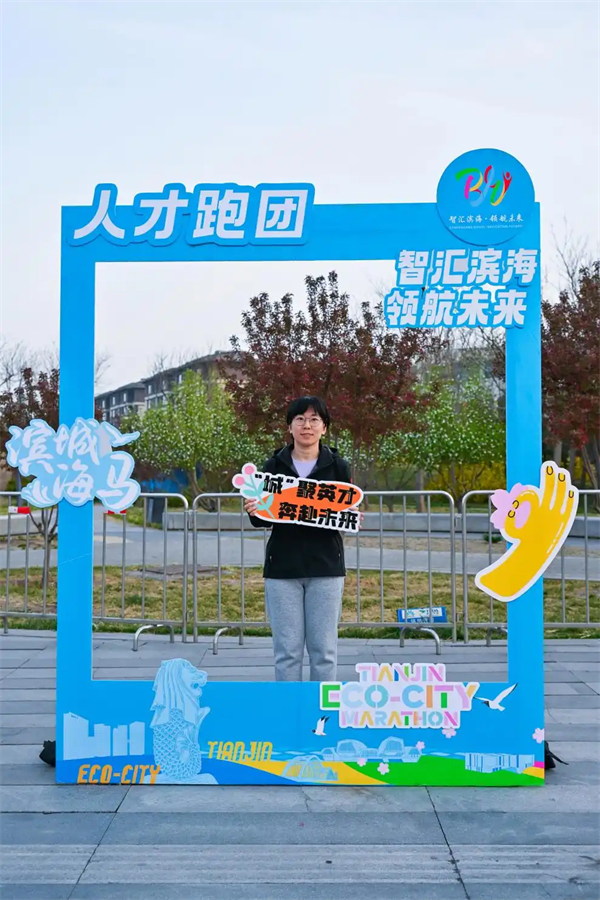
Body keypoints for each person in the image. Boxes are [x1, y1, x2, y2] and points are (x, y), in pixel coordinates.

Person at [244, 396, 354, 682]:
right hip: (283, 567)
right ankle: (287, 707)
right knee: (287, 652)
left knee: (324, 651)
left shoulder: (338, 467)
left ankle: (321, 708)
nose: (307, 425)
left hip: (326, 567)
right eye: (300, 419)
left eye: (315, 419)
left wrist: (350, 515)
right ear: (289, 427)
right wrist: (253, 509)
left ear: (324, 428)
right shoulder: (273, 466)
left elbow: (343, 513)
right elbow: (262, 519)